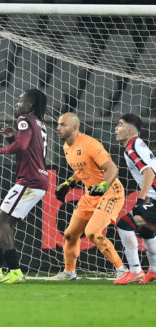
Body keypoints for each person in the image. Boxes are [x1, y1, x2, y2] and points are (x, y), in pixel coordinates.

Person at [0, 90, 49, 284]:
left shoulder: (25, 119)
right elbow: (28, 148)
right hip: (39, 179)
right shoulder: (40, 124)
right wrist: (11, 139)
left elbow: (22, 146)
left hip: (29, 180)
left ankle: (15, 271)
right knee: (4, 225)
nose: (16, 104)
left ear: (30, 105)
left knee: (1, 223)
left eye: (20, 100)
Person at [49, 113, 127, 280]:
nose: (58, 128)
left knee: (92, 232)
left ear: (75, 127)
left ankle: (122, 270)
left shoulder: (90, 144)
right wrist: (69, 183)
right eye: (58, 124)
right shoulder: (66, 147)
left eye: (63, 125)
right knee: (70, 234)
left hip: (111, 192)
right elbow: (82, 169)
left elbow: (112, 169)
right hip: (90, 195)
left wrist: (103, 186)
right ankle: (69, 273)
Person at [112, 114, 156, 285]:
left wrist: (141, 200)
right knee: (146, 230)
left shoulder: (132, 148)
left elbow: (149, 173)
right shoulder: (137, 145)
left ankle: (135, 270)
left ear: (129, 131)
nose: (116, 128)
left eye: (120, 125)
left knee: (124, 224)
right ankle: (153, 270)